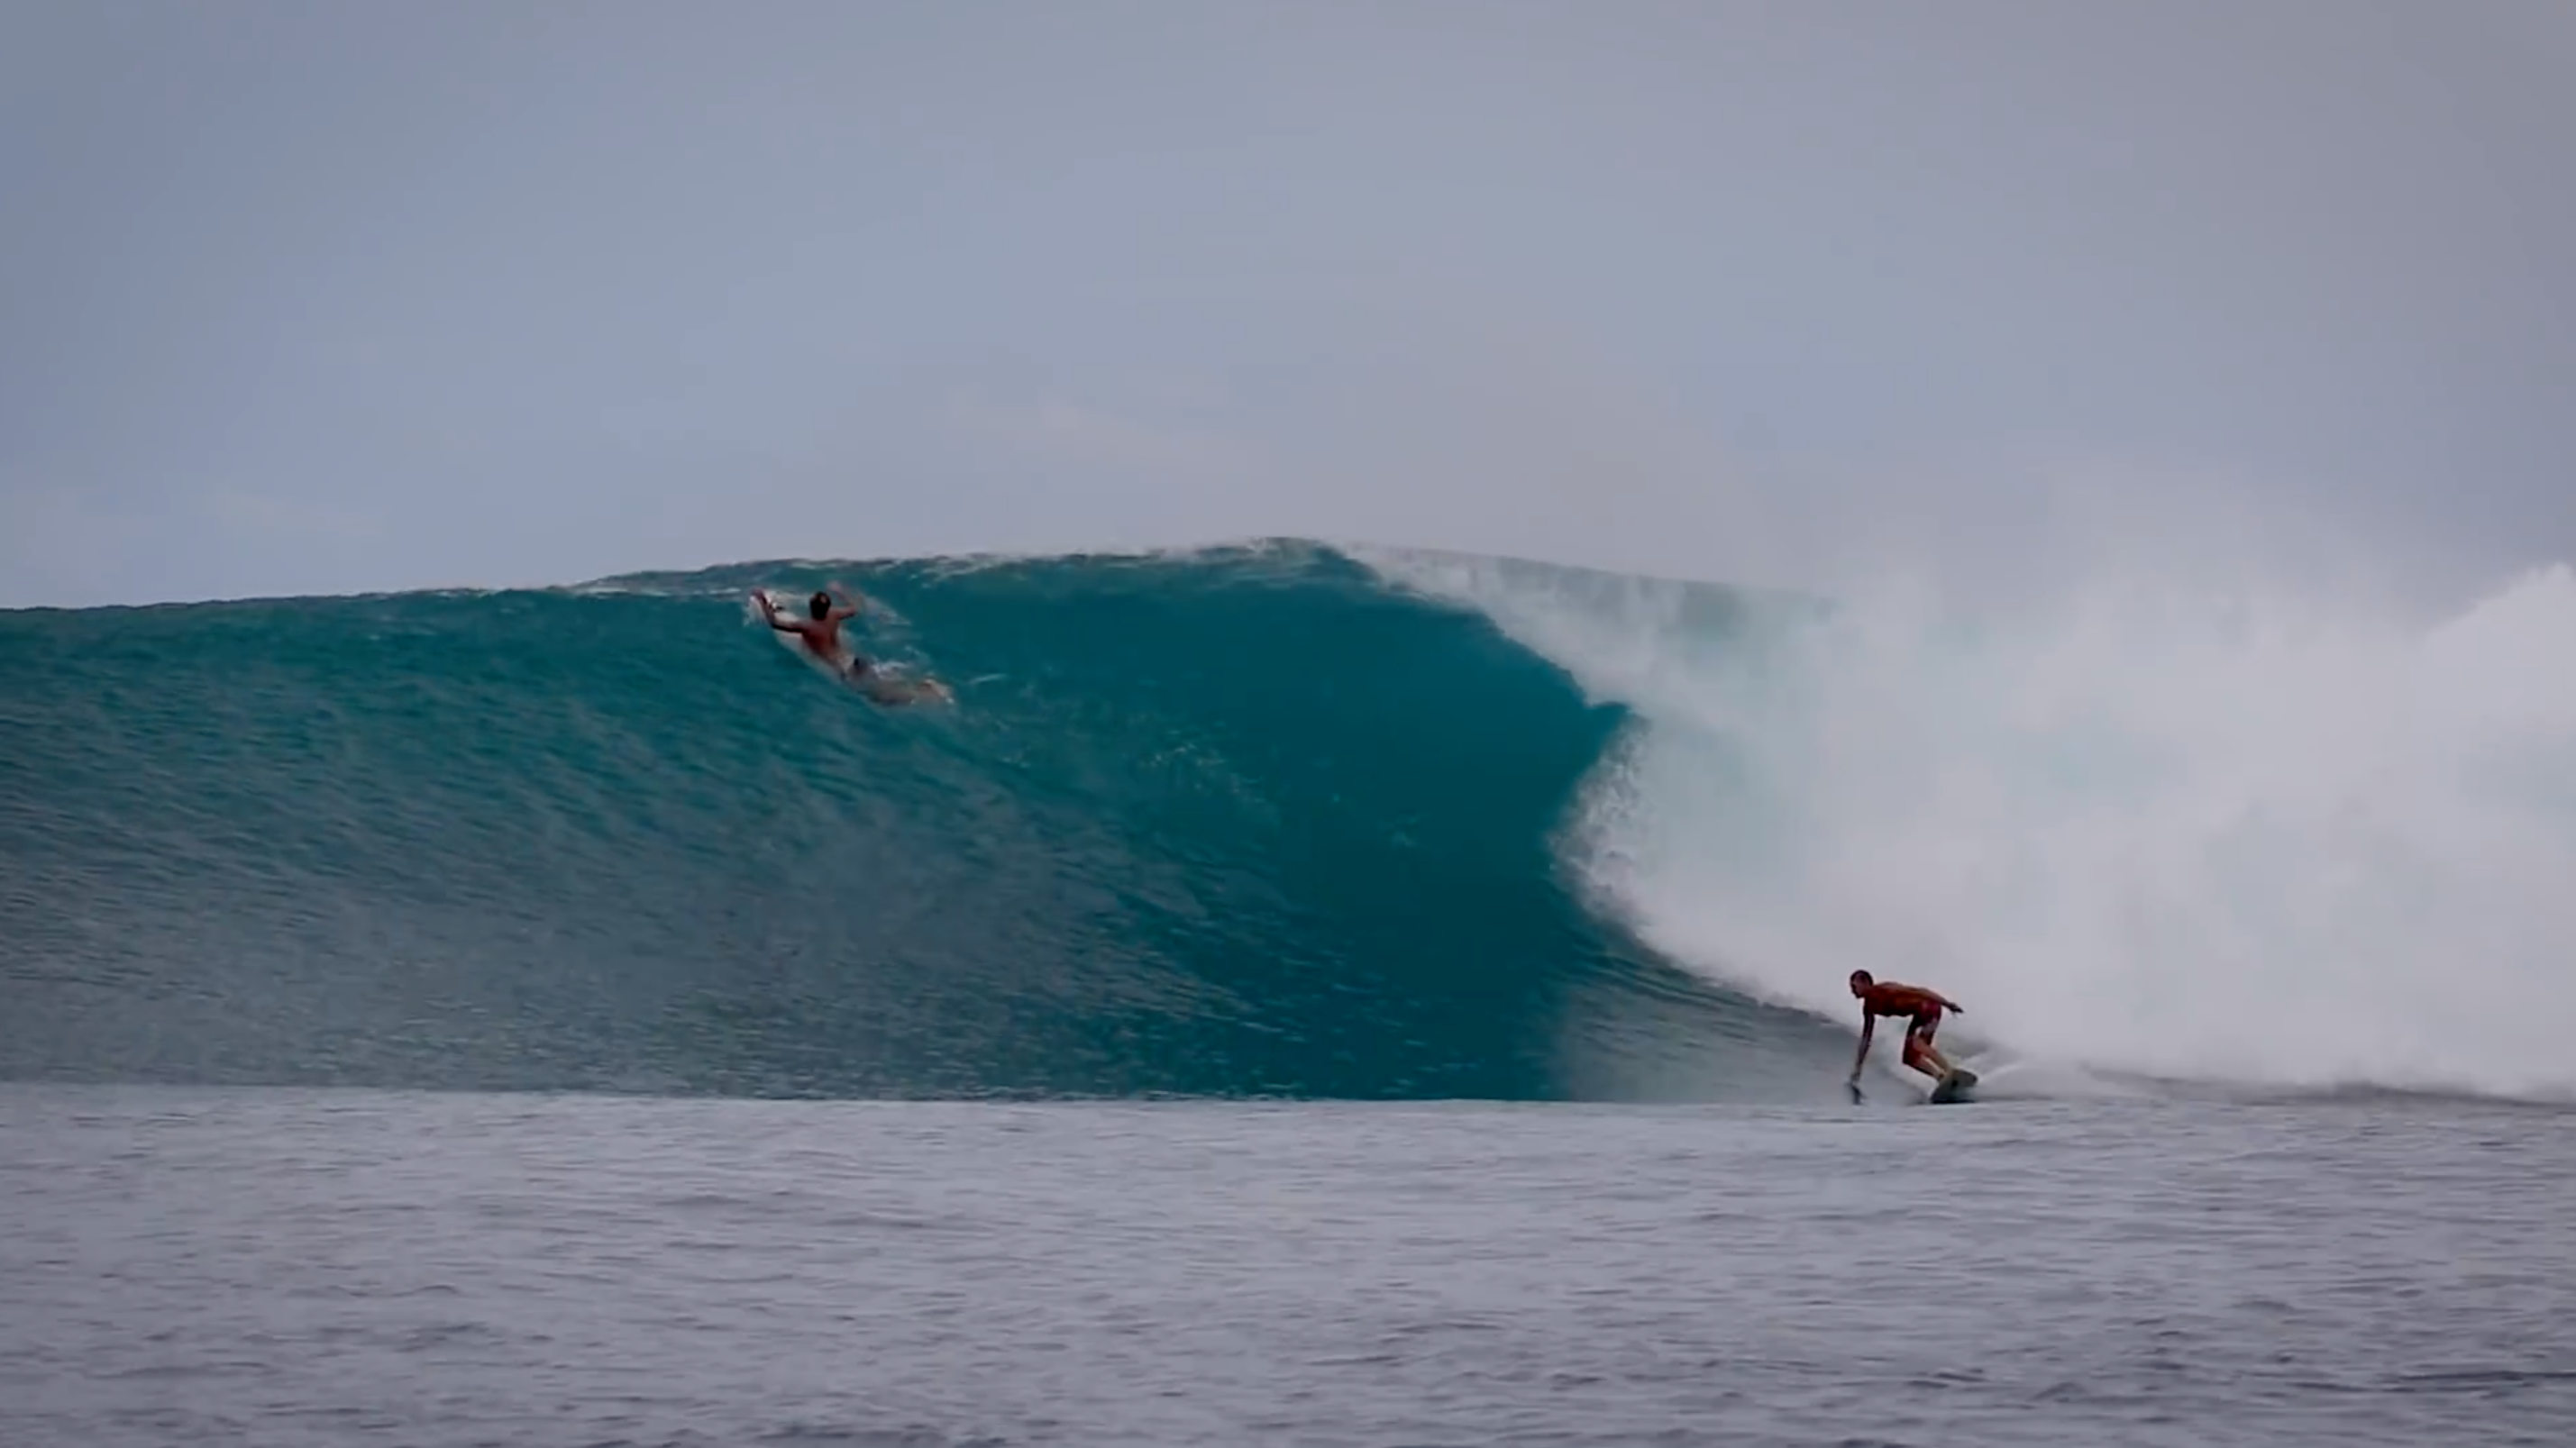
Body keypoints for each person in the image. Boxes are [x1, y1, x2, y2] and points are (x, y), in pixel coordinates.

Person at [1846, 970, 1968, 1087]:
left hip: (1929, 1007)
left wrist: (1947, 1004)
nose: (1852, 991)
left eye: (1854, 986)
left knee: (1917, 1043)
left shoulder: (1886, 989)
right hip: (1919, 1015)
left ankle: (1950, 1071)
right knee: (1909, 1058)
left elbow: (1920, 991)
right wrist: (1858, 1067)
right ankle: (1940, 1077)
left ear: (1865, 983)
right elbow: (1866, 1039)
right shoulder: (1869, 1008)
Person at [755, 584, 874, 681]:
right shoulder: (834, 614)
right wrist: (840, 591)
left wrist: (762, 600)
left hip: (839, 667)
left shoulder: (807, 626)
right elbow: (854, 608)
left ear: (811, 607)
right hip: (851, 659)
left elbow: (774, 623)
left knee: (874, 695)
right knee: (878, 686)